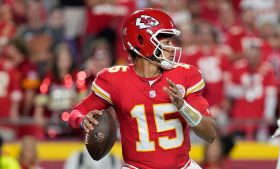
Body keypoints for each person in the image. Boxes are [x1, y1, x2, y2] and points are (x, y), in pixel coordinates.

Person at [69, 8, 216, 169]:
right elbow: (75, 113)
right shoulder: (115, 80)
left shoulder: (185, 75)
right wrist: (83, 121)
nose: (172, 48)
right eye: (166, 43)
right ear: (142, 41)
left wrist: (183, 107)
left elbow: (210, 134)